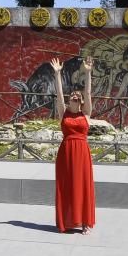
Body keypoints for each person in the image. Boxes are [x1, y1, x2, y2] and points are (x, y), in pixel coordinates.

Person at [51, 56, 96, 234]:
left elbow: (88, 93)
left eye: (78, 97)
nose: (76, 98)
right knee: (66, 185)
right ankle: (67, 221)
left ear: (82, 102)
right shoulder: (63, 113)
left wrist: (88, 73)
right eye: (73, 97)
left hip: (82, 153)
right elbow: (60, 95)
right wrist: (57, 74)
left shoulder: (86, 114)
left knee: (83, 186)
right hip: (66, 153)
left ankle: (85, 222)